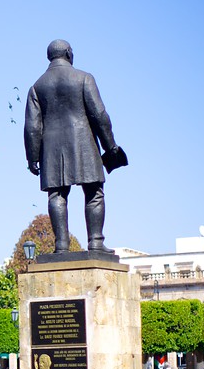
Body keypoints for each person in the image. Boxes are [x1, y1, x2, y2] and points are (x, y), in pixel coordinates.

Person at [23, 39, 126, 254]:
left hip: (51, 150)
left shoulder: (36, 87)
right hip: (84, 144)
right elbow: (99, 115)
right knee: (94, 192)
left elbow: (32, 127)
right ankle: (96, 241)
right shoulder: (84, 78)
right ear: (69, 53)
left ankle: (61, 245)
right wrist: (110, 147)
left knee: (56, 195)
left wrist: (32, 157)